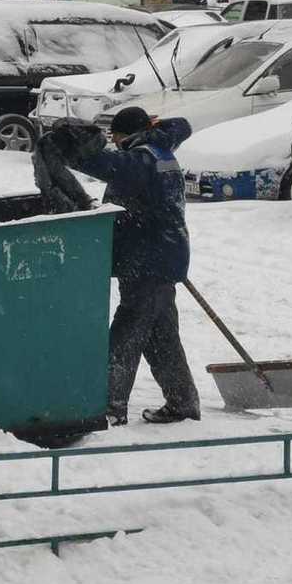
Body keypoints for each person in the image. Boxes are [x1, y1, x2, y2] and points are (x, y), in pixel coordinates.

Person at [58, 106, 200, 426]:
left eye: (117, 136)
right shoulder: (160, 151)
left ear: (127, 135)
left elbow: (107, 165)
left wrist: (70, 149)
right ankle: (182, 401)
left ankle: (108, 406)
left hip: (149, 260)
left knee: (126, 334)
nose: (115, 142)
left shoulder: (144, 157)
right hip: (160, 256)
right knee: (161, 336)